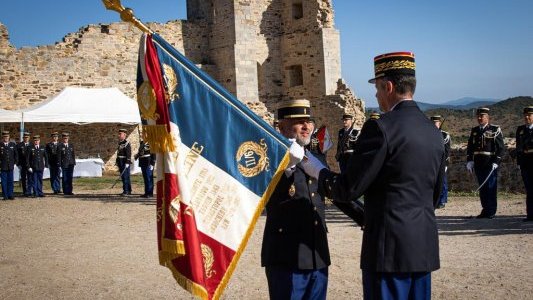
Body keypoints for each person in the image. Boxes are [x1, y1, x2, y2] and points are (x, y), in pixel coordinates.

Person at [299, 52, 445, 299]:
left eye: (377, 89)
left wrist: (316, 169)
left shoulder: (380, 127)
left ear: (388, 86)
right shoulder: (432, 131)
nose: (376, 96)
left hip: (388, 250)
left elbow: (348, 188)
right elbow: (434, 194)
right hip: (422, 247)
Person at [261, 99, 362, 300]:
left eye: (308, 121)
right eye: (299, 122)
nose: (307, 126)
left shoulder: (315, 159)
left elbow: (336, 194)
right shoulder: (268, 158)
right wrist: (287, 166)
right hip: (286, 255)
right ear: (282, 127)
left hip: (316, 253)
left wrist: (367, 217)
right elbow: (263, 195)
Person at [466, 107, 504, 219]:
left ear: (487, 117)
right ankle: (485, 210)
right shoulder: (474, 131)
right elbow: (470, 147)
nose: (479, 118)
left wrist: (496, 161)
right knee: (483, 188)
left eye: (482, 116)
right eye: (478, 116)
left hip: (490, 163)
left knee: (490, 187)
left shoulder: (495, 129)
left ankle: (491, 211)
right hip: (478, 164)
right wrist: (469, 160)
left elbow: (500, 148)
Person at [515, 106, 533, 222]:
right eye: (525, 115)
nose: (527, 117)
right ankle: (530, 214)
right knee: (529, 189)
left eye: (529, 115)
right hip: (525, 163)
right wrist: (519, 162)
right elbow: (518, 147)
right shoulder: (520, 130)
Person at [431, 115, 451, 208]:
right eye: (432, 123)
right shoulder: (428, 134)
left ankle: (442, 200)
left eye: (436, 123)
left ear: (439, 123)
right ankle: (435, 199)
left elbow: (447, 151)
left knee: (442, 182)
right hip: (432, 162)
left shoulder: (445, 135)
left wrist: (445, 163)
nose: (434, 125)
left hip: (442, 162)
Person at [0, 131, 18, 200]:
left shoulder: (12, 144)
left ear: (9, 137)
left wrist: (15, 163)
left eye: (7, 136)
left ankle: (10, 194)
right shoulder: (0, 145)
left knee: (10, 181)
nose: (6, 138)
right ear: (3, 137)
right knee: (4, 181)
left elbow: (16, 155)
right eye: (4, 137)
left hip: (11, 166)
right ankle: (5, 195)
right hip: (3, 166)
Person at [116, 129, 132, 196]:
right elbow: (118, 153)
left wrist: (128, 162)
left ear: (124, 135)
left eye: (120, 134)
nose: (119, 135)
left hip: (125, 161)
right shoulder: (120, 143)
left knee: (125, 176)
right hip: (120, 161)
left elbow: (128, 153)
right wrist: (117, 161)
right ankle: (126, 190)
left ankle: (127, 191)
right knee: (123, 176)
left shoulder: (126, 143)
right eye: (119, 134)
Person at [16, 132, 32, 197]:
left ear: (29, 138)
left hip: (30, 165)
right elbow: (17, 155)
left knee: (30, 178)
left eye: (27, 137)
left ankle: (29, 191)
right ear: (23, 138)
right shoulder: (19, 145)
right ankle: (24, 191)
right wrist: (18, 164)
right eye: (25, 137)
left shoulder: (31, 144)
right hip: (22, 165)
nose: (26, 138)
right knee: (23, 178)